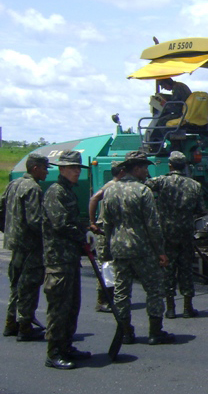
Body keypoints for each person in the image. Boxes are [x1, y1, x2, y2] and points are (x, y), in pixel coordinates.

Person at [101, 150, 174, 346]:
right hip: (142, 249)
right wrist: (161, 251)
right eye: (145, 167)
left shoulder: (110, 191)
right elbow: (153, 225)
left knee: (122, 292)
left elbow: (106, 223)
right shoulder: (143, 191)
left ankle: (125, 332)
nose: (147, 171)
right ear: (136, 169)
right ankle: (155, 331)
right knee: (154, 289)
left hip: (118, 247)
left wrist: (108, 247)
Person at [42, 151, 91, 369]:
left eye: (78, 168)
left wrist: (85, 232)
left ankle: (67, 346)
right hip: (58, 259)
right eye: (72, 168)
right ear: (61, 169)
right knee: (59, 308)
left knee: (72, 306)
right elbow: (60, 224)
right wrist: (81, 237)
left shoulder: (69, 192)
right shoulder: (56, 192)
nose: (76, 172)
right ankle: (54, 353)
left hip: (69, 258)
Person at [145, 151, 205, 319]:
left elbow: (145, 187)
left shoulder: (162, 181)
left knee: (168, 269)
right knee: (186, 269)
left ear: (170, 165)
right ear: (185, 166)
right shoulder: (195, 185)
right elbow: (201, 210)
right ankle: (187, 307)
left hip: (166, 233)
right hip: (185, 233)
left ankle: (170, 309)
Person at [0, 153, 49, 341]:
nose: (46, 172)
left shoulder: (14, 184)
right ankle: (25, 326)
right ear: (35, 168)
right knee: (29, 286)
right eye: (44, 168)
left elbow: (1, 209)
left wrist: (9, 231)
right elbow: (35, 221)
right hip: (30, 246)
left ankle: (10, 322)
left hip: (15, 243)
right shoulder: (33, 189)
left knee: (16, 284)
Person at [88, 161, 125, 313]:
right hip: (105, 231)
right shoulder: (111, 185)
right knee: (106, 267)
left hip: (110, 230)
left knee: (110, 267)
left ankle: (109, 299)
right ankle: (103, 301)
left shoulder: (117, 185)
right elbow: (94, 199)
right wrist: (92, 222)